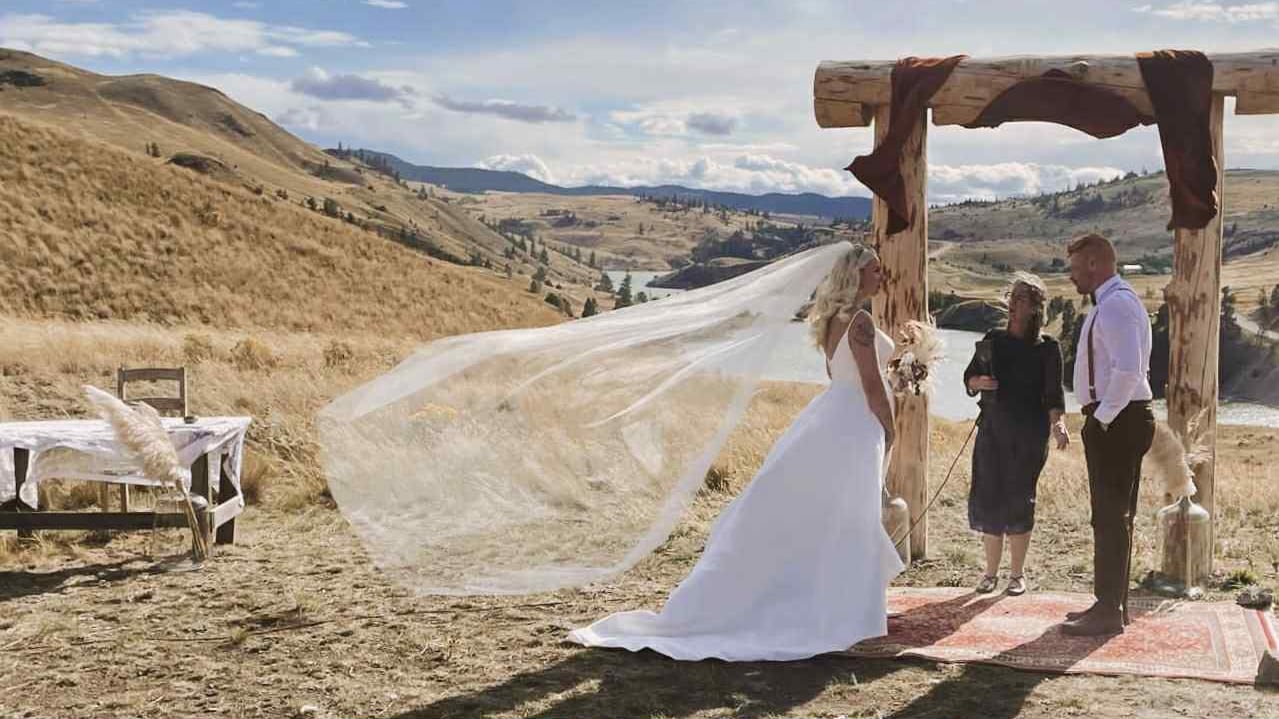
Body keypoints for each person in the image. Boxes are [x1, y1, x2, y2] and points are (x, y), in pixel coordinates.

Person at [567, 243, 904, 661]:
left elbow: (838, 375)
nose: (879, 275)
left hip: (830, 416)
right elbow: (871, 386)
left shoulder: (834, 320)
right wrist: (891, 428)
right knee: (851, 514)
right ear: (854, 275)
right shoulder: (861, 322)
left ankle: (834, 598)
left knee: (832, 513)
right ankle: (844, 607)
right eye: (873, 269)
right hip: (854, 423)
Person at [1060, 233, 1154, 637]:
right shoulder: (1113, 302)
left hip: (1118, 420)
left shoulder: (1116, 305)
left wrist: (1104, 418)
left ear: (1096, 264)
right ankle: (1111, 603)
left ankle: (1108, 609)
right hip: (1117, 418)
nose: (1071, 275)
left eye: (1076, 267)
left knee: (1111, 517)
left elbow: (1128, 370)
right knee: (1112, 516)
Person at [963, 272, 1068, 596]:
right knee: (990, 497)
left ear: (1036, 307)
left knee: (1020, 501)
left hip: (1028, 437)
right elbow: (969, 377)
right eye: (1012, 296)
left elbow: (1053, 396)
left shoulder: (1047, 349)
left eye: (1021, 298)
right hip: (991, 433)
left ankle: (1016, 575)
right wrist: (977, 384)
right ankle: (990, 574)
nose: (1013, 303)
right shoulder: (993, 338)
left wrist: (1059, 424)